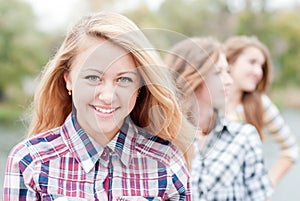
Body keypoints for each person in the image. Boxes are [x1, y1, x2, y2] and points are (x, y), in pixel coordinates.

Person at [3, 11, 195, 200]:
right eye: (93, 77)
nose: (107, 96)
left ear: (140, 87)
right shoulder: (29, 162)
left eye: (124, 79)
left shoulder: (167, 162)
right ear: (68, 80)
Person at [164, 37, 273, 200]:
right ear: (193, 77)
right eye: (218, 73)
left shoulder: (244, 137)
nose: (229, 81)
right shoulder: (162, 141)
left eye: (227, 71)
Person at [224, 35, 299, 187]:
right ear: (230, 61)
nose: (258, 71)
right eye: (252, 62)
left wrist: (267, 186)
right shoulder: (206, 99)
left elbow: (291, 149)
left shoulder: (261, 104)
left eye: (261, 66)